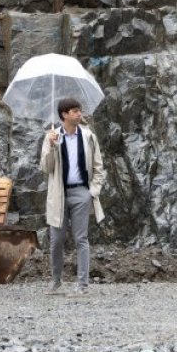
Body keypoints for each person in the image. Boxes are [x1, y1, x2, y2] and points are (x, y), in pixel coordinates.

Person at [40, 97, 105, 296]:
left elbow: (98, 167)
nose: (79, 114)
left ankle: (82, 285)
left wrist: (92, 192)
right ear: (64, 115)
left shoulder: (88, 136)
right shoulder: (51, 136)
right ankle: (56, 281)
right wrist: (51, 146)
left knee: (81, 238)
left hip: (81, 192)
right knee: (56, 240)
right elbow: (46, 168)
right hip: (58, 193)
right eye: (75, 111)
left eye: (79, 110)